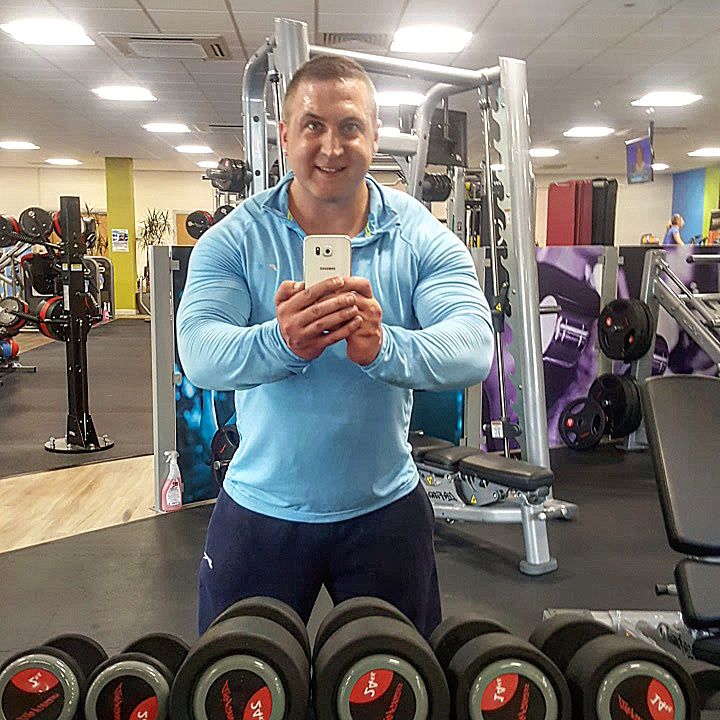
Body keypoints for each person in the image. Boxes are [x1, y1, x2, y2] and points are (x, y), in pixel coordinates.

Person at [176, 55, 494, 639]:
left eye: (349, 127)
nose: (331, 146)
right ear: (284, 135)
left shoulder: (420, 236)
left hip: (384, 510)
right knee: (239, 678)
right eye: (312, 126)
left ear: (374, 135)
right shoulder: (235, 239)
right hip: (260, 511)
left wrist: (383, 348)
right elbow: (199, 351)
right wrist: (281, 342)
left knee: (399, 679)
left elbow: (474, 346)